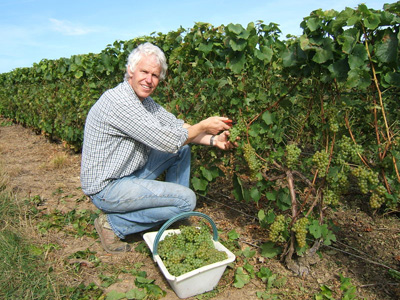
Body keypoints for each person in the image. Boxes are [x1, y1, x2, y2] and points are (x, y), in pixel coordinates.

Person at [80, 42, 235, 254]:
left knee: (181, 150)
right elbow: (166, 141)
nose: (149, 80)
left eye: (155, 75)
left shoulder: (144, 101)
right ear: (131, 70)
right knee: (187, 200)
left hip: (127, 175)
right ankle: (115, 224)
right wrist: (203, 125)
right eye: (144, 72)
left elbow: (177, 127)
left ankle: (173, 217)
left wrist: (213, 140)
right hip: (107, 188)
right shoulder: (119, 102)